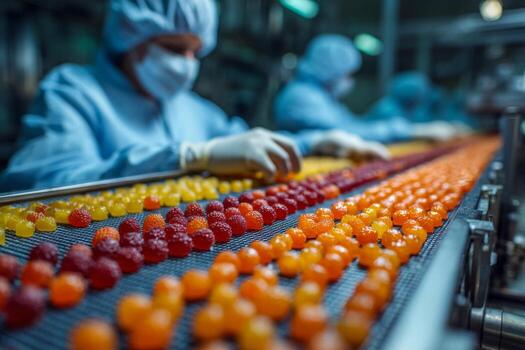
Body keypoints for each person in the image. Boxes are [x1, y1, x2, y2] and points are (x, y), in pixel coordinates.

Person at [1, 0, 390, 192]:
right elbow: (44, 181)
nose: (187, 63)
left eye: (195, 51)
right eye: (173, 47)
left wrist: (315, 142)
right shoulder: (72, 92)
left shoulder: (195, 110)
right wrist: (188, 156)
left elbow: (249, 143)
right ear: (132, 38)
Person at [274, 34, 412, 146]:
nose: (349, 81)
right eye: (348, 74)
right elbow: (341, 134)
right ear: (331, 70)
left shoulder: (325, 98)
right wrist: (398, 130)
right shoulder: (302, 97)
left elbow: (352, 124)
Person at [367, 71, 464, 141]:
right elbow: (381, 131)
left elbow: (421, 120)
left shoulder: (413, 107)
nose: (420, 95)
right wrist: (417, 131)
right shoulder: (386, 108)